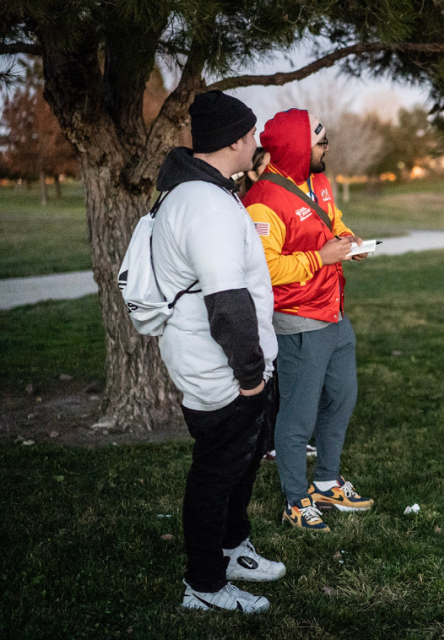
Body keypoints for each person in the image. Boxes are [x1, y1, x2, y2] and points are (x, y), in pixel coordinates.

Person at [151, 90, 284, 612]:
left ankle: (232, 549)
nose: (256, 142)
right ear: (234, 139)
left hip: (225, 364)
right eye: (251, 133)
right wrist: (252, 376)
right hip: (222, 369)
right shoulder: (205, 204)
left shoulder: (204, 191)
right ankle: (204, 585)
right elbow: (227, 305)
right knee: (216, 472)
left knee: (238, 464)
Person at [244, 109, 374, 533]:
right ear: (299, 148)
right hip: (299, 320)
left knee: (342, 398)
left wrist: (350, 242)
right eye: (320, 142)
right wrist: (322, 258)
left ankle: (326, 481)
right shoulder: (263, 201)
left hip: (333, 310)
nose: (327, 147)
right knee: (297, 418)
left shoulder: (317, 180)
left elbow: (331, 224)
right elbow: (262, 270)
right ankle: (295, 501)